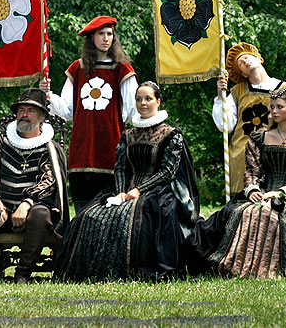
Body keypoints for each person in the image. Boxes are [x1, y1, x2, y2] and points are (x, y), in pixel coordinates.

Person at [54, 81, 200, 281]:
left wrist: (139, 190)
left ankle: (133, 271)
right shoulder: (128, 135)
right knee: (89, 215)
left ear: (158, 101)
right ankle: (91, 272)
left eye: (148, 99)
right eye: (139, 99)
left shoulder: (172, 135)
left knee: (143, 214)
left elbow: (168, 172)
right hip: (126, 189)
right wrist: (122, 192)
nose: (143, 103)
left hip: (160, 190)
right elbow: (121, 167)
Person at [190, 85, 286, 278]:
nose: (274, 111)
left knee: (271, 214)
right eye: (272, 107)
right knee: (244, 212)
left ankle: (269, 269)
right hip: (262, 193)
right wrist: (252, 189)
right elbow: (253, 171)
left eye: (279, 107)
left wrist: (280, 193)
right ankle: (231, 266)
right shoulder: (259, 138)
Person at [0, 88, 68, 283]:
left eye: (31, 110)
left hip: (33, 210)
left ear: (42, 117)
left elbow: (50, 181)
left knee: (42, 214)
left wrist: (27, 203)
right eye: (21, 110)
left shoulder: (50, 148)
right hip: (1, 208)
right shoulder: (2, 142)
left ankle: (22, 274)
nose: (24, 115)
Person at [40, 15, 137, 211]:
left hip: (111, 147)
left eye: (109, 34)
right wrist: (47, 94)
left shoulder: (121, 69)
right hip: (82, 149)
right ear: (91, 38)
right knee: (83, 207)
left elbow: (130, 111)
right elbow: (67, 110)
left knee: (111, 210)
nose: (106, 38)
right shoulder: (77, 69)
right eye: (101, 34)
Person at [213, 42, 286, 195]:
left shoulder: (284, 88)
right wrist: (221, 96)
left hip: (276, 152)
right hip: (243, 155)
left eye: (247, 57)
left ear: (259, 59)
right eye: (241, 62)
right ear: (243, 74)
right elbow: (225, 126)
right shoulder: (238, 91)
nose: (245, 61)